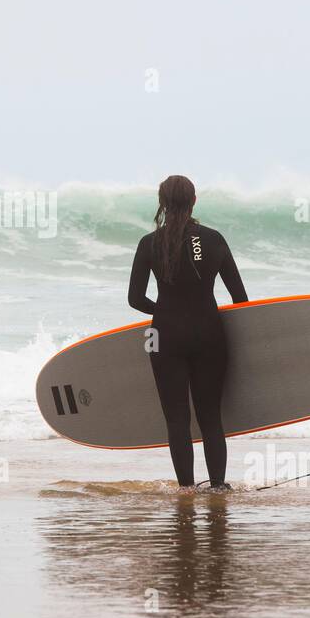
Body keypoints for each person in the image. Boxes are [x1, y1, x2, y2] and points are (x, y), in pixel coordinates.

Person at [128, 175, 248, 489]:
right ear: (194, 201)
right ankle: (219, 486)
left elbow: (135, 299)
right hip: (210, 333)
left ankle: (186, 490)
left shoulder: (148, 243)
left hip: (164, 336)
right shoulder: (214, 239)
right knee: (210, 417)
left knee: (177, 419)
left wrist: (167, 312)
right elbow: (240, 298)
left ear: (162, 203)